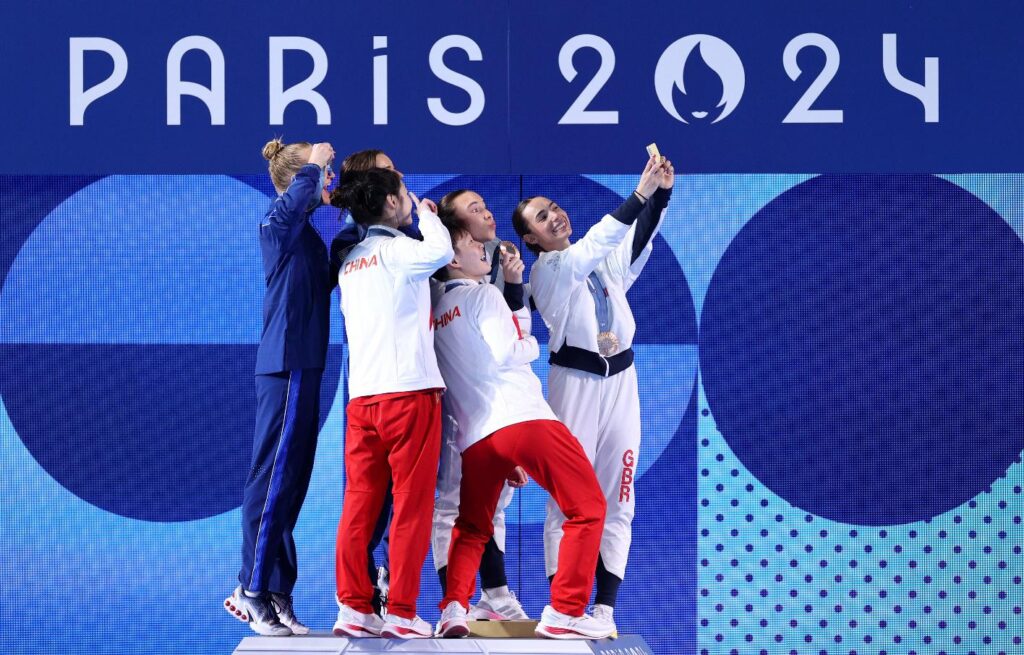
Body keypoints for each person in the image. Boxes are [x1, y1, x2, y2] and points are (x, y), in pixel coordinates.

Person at [512, 153, 674, 633]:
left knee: (620, 497)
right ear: (530, 239)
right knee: (567, 499)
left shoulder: (599, 261)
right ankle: (562, 608)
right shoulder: (547, 272)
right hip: (575, 386)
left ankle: (603, 610)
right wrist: (640, 193)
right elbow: (599, 242)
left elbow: (635, 241)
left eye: (554, 208)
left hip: (622, 381)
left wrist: (661, 195)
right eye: (542, 217)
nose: (555, 216)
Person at [430, 225, 613, 640]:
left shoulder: (436, 314)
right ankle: (566, 610)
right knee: (588, 508)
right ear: (453, 260)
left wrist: (506, 454)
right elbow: (508, 352)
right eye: (472, 244)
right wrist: (533, 342)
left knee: (472, 527)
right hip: (525, 417)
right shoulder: (484, 295)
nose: (483, 247)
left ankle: (454, 609)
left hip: (477, 439)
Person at [331, 168, 453, 639]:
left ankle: (353, 607)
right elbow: (441, 251)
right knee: (411, 505)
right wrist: (428, 216)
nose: (410, 199)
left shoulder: (349, 262)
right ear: (389, 203)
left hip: (363, 400)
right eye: (405, 194)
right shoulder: (400, 250)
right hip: (409, 395)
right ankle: (401, 610)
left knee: (359, 504)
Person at [224, 138, 335, 636]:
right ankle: (248, 589)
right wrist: (314, 164)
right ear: (298, 180)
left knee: (291, 482)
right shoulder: (277, 222)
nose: (329, 177)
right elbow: (292, 202)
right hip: (285, 365)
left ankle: (274, 590)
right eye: (323, 171)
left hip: (306, 366)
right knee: (270, 479)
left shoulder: (305, 233)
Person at [429, 189, 530, 621]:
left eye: (486, 206)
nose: (487, 213)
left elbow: (505, 331)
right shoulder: (437, 275)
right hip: (455, 406)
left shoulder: (496, 263)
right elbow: (507, 345)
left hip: (497, 407)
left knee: (493, 503)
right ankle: (455, 602)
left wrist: (513, 287)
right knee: (452, 504)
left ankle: (495, 596)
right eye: (474, 210)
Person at [327, 149, 417, 617]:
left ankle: (388, 592)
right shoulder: (351, 243)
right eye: (387, 171)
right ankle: (365, 595)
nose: (398, 175)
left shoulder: (408, 233)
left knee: (412, 495)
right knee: (370, 495)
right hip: (379, 382)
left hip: (422, 370)